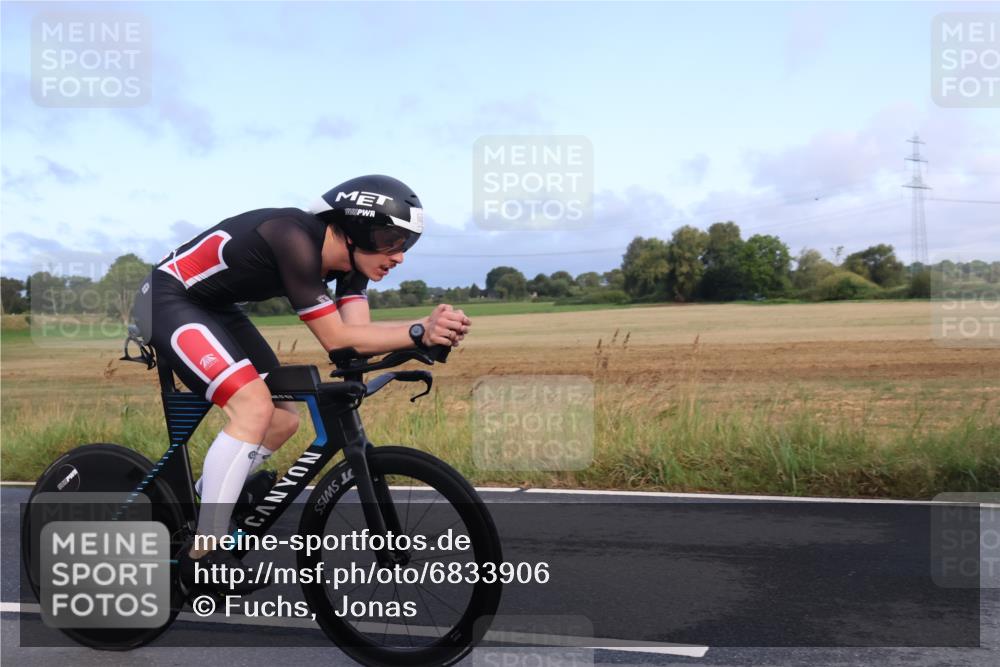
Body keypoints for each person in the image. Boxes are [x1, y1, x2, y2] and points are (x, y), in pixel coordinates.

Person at [133, 175, 470, 593]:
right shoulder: (292, 236)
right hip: (166, 300)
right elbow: (336, 338)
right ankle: (203, 553)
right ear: (354, 228)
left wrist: (423, 341)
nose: (399, 256)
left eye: (406, 244)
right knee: (253, 406)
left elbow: (355, 343)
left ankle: (203, 506)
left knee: (282, 420)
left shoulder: (352, 266)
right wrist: (419, 330)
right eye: (390, 240)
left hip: (217, 307)